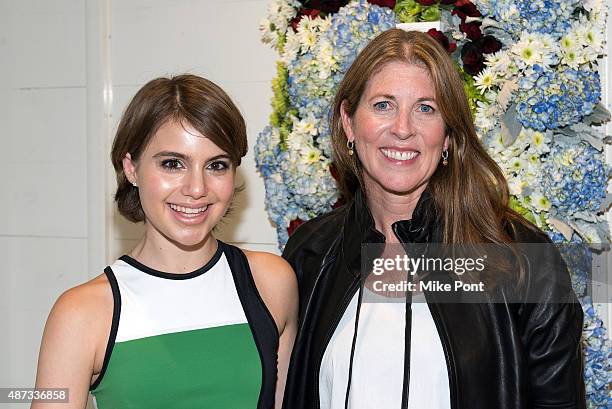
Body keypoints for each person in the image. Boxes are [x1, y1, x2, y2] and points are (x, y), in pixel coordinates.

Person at [281, 29, 585, 409]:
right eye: (383, 105)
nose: (403, 128)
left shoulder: (523, 260)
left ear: (447, 136)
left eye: (426, 108)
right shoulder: (310, 253)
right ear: (348, 122)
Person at [33, 74, 298, 409]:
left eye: (216, 165)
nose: (197, 188)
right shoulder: (80, 313)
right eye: (173, 164)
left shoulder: (271, 282)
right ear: (131, 168)